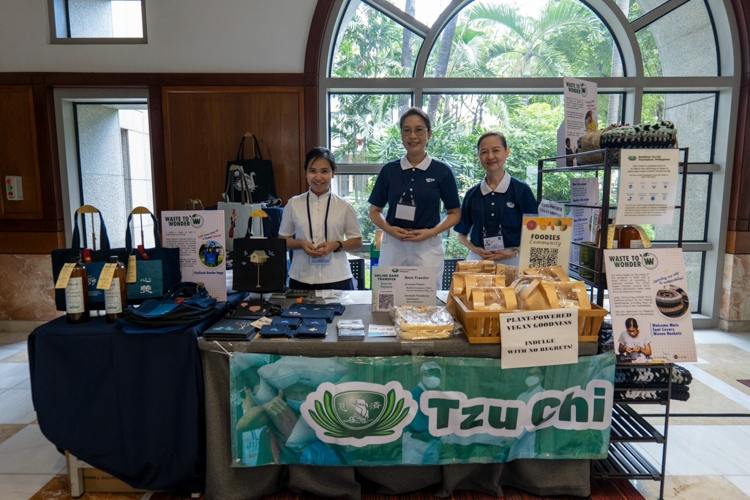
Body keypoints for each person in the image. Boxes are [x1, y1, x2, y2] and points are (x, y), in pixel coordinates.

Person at [368, 108, 461, 286]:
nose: (413, 136)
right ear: (401, 134)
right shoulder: (389, 170)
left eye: (419, 130)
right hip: (394, 243)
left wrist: (432, 232)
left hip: (427, 245)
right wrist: (389, 229)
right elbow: (375, 211)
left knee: (426, 301)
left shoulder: (442, 171)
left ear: (429, 134)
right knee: (388, 298)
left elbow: (455, 212)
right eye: (407, 130)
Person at [279, 147, 362, 290]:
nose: (318, 177)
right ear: (306, 173)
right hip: (301, 277)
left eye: (324, 171)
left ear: (333, 173)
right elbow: (282, 240)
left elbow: (357, 241)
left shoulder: (344, 205)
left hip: (337, 277)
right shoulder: (294, 203)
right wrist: (301, 245)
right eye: (312, 171)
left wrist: (336, 245)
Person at [455, 131, 538, 267]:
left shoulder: (521, 191)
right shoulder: (472, 194)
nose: (490, 156)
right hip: (478, 260)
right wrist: (475, 249)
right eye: (484, 152)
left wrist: (514, 252)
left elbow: (535, 234)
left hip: (513, 262)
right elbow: (461, 235)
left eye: (496, 150)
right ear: (478, 156)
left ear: (506, 152)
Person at [403, 361, 443, 464]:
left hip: (433, 443)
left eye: (437, 374)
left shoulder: (436, 394)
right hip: (416, 443)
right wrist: (436, 433)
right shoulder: (413, 394)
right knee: (413, 474)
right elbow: (415, 423)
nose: (434, 377)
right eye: (430, 373)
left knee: (430, 474)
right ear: (421, 375)